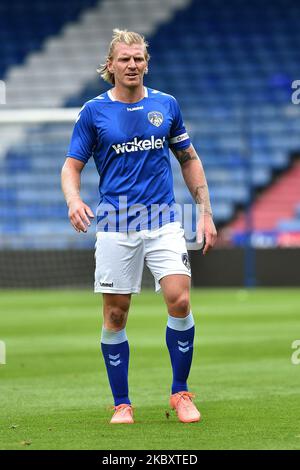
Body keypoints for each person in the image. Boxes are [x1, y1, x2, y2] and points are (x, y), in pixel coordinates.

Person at [61, 29, 217, 424]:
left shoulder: (166, 105)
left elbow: (189, 158)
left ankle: (181, 392)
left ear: (147, 63)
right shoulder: (93, 112)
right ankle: (122, 403)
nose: (133, 65)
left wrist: (205, 212)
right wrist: (74, 199)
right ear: (110, 66)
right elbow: (71, 166)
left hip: (163, 219)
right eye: (125, 59)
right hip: (116, 221)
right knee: (116, 314)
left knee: (180, 300)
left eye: (139, 59)